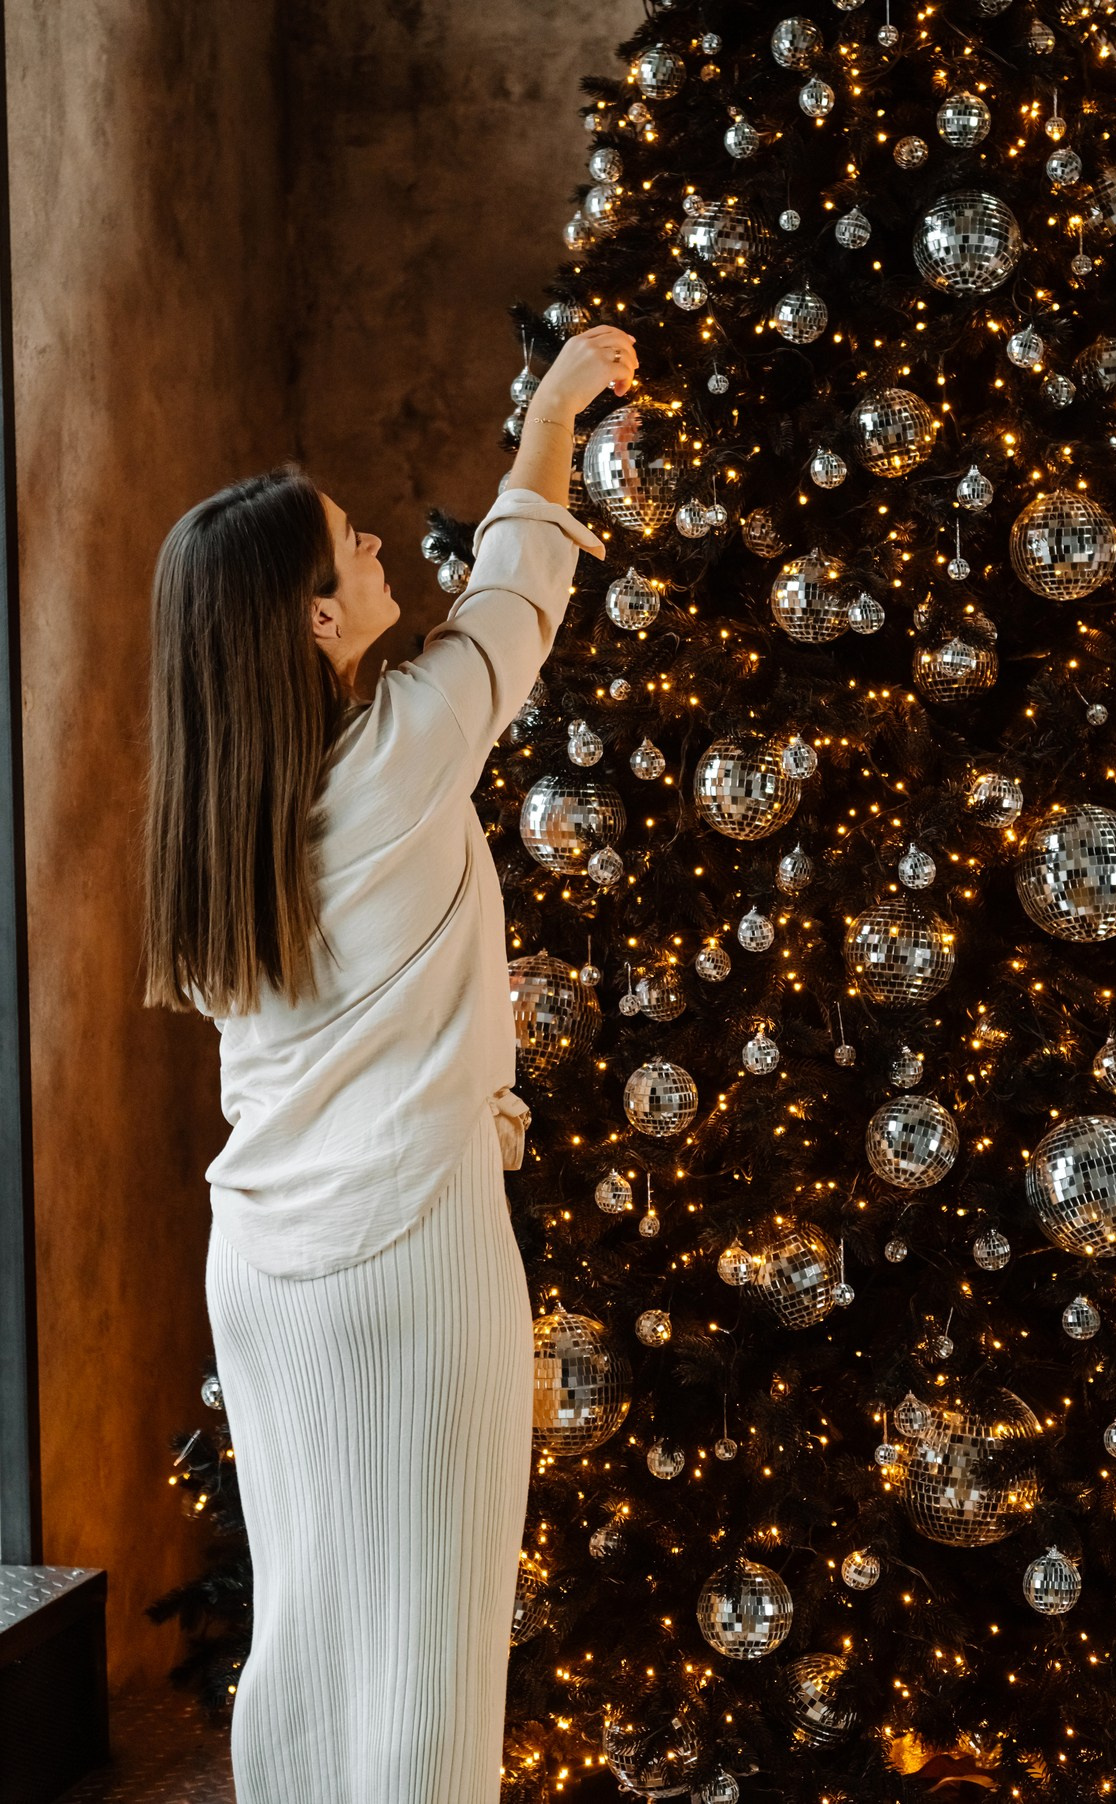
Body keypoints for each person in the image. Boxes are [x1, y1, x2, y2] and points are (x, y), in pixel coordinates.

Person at [139, 322, 638, 1802]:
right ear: (312, 620)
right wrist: (553, 407)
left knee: (305, 1647)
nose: (376, 550)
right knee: (428, 1654)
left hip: (268, 1276)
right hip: (412, 1261)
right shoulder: (405, 753)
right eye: (354, 548)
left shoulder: (216, 837)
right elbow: (518, 590)